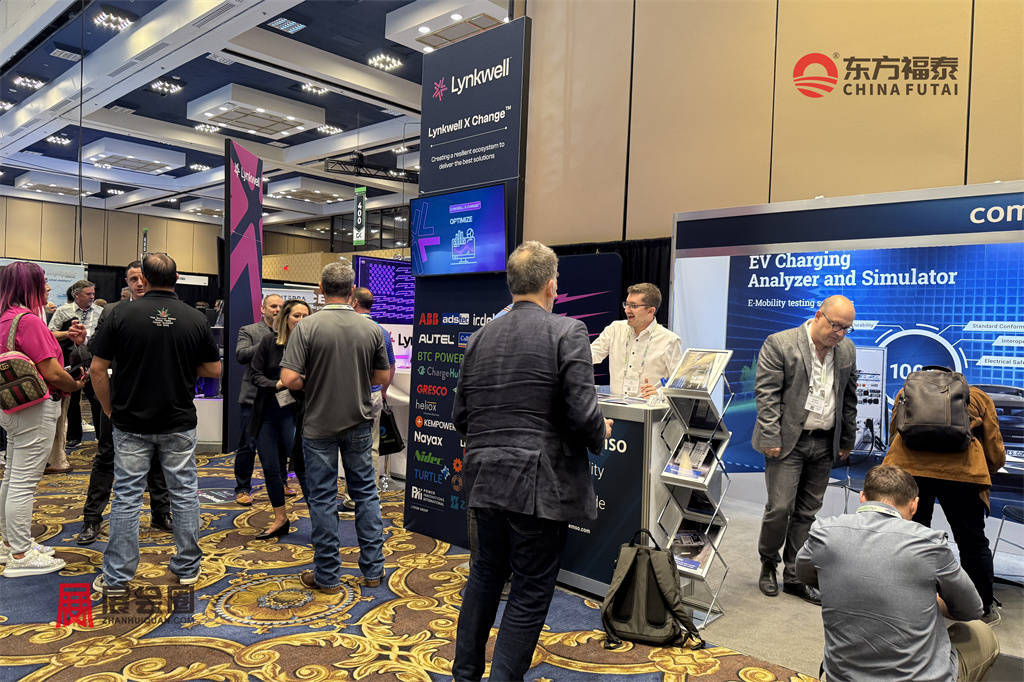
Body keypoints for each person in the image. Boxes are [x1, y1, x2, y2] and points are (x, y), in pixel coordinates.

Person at [452, 241, 612, 682]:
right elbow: (583, 413)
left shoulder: (480, 337)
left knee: (485, 576)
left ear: (512, 284)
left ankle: (465, 675)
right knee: (529, 590)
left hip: (484, 479)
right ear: (551, 285)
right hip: (539, 488)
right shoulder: (568, 331)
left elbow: (461, 416)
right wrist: (600, 431)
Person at [90, 254, 221, 595]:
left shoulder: (119, 314)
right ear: (176, 278)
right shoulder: (195, 318)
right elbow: (213, 370)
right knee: (184, 493)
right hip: (178, 420)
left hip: (130, 421)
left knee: (127, 497)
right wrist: (180, 364)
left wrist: (109, 410)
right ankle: (188, 567)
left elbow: (96, 369)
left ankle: (117, 577)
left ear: (144, 279)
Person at [796, 465, 999, 682]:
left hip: (841, 677)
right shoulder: (930, 543)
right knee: (980, 632)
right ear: (914, 505)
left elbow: (804, 573)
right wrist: (935, 602)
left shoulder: (825, 532)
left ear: (862, 497)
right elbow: (972, 609)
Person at [280, 260, 390, 594]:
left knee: (323, 499)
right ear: (352, 290)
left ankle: (327, 576)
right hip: (358, 422)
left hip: (318, 425)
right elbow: (381, 377)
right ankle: (373, 571)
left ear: (321, 289)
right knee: (366, 495)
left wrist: (314, 382)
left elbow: (289, 379)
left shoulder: (307, 327)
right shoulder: (371, 329)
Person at [752, 295, 858, 605]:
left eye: (846, 328)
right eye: (835, 325)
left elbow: (849, 398)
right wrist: (770, 436)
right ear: (819, 315)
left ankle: (794, 574)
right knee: (780, 508)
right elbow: (767, 396)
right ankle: (768, 563)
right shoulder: (780, 343)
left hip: (825, 442)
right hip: (787, 441)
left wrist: (846, 440)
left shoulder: (847, 350)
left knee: (807, 512)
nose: (839, 333)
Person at [884, 379, 1006, 623]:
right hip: (963, 473)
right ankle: (982, 610)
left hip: (910, 471)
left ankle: (908, 602)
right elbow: (993, 446)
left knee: (910, 538)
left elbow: (894, 432)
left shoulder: (905, 392)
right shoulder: (978, 397)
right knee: (972, 542)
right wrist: (989, 467)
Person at [0, 262, 86, 576]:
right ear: (28, 286)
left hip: (13, 405)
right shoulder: (28, 320)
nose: (48, 287)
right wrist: (73, 385)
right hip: (36, 406)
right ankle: (21, 554)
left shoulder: (5, 318)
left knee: (12, 477)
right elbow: (51, 371)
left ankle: (10, 543)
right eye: (43, 281)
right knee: (23, 482)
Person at [77, 261, 171, 545]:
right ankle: (92, 519)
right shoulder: (113, 311)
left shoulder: (165, 311)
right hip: (119, 396)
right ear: (127, 283)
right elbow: (95, 354)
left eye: (142, 278)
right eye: (132, 279)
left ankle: (161, 513)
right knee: (106, 456)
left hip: (157, 396)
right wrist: (82, 344)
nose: (138, 284)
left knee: (158, 457)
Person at [248, 299, 310, 540]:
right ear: (286, 318)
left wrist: (297, 383)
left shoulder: (312, 344)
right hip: (267, 414)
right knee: (271, 468)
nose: (301, 320)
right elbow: (255, 375)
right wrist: (277, 384)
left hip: (296, 415)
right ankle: (280, 518)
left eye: (305, 316)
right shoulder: (268, 342)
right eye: (296, 315)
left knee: (302, 469)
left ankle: (320, 522)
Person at [590, 283, 682, 398]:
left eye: (633, 306)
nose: (627, 310)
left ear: (651, 311)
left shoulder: (669, 340)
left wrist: (660, 393)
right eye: (626, 304)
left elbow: (679, 383)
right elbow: (591, 354)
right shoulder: (615, 329)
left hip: (648, 407)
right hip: (616, 405)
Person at [234, 294, 283, 506]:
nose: (277, 310)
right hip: (253, 397)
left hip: (281, 396)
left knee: (281, 444)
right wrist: (267, 342)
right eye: (273, 306)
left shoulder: (289, 332)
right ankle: (243, 488)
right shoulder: (249, 330)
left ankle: (282, 482)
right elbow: (241, 355)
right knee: (248, 445)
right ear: (262, 309)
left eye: (281, 307)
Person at [350, 287, 396, 485]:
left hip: (350, 394)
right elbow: (390, 367)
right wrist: (383, 390)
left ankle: (352, 494)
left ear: (354, 303)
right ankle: (372, 490)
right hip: (374, 394)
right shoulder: (382, 332)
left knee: (350, 446)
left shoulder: (348, 329)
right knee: (372, 444)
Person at [49, 279, 102, 449]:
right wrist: (68, 333)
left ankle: (101, 436)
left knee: (97, 398)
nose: (92, 297)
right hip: (70, 360)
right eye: (88, 294)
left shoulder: (101, 312)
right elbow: (50, 334)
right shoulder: (63, 311)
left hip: (94, 360)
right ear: (76, 295)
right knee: (71, 400)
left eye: (93, 293)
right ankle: (73, 436)